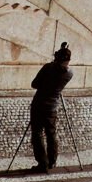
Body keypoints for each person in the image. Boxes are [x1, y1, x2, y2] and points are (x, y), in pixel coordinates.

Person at [30, 42, 73, 173]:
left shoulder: (48, 67)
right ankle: (52, 161)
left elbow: (34, 84)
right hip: (53, 106)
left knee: (37, 134)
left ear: (57, 57)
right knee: (51, 133)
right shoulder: (69, 73)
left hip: (39, 104)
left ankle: (42, 163)